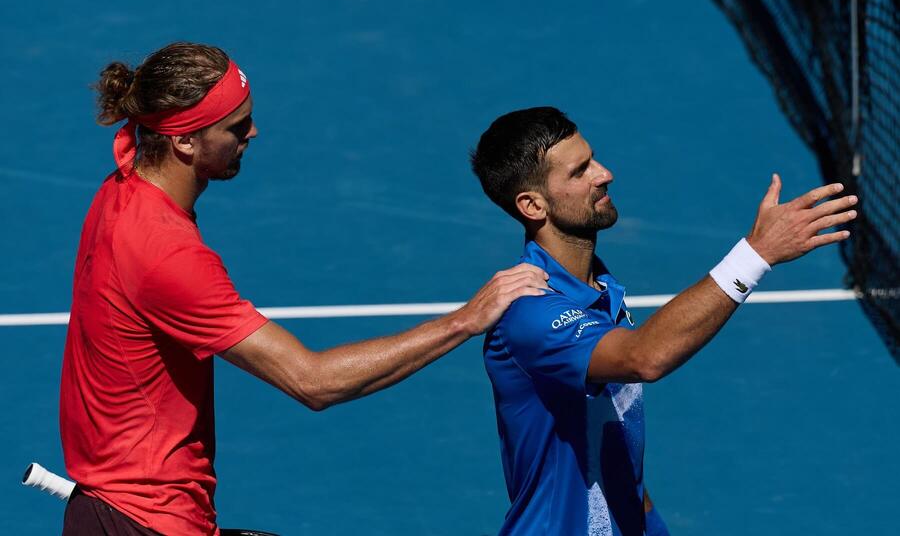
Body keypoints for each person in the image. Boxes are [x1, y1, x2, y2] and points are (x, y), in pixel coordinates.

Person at [59, 42, 548, 535]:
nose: (252, 132)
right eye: (234, 127)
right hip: (147, 522)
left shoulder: (122, 189)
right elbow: (313, 382)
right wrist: (465, 320)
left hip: (115, 508)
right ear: (185, 141)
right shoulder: (167, 254)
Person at [470, 106, 858, 536]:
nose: (605, 174)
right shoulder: (533, 312)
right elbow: (645, 358)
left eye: (593, 158)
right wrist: (756, 254)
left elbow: (607, 434)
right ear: (532, 204)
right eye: (580, 172)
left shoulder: (599, 287)